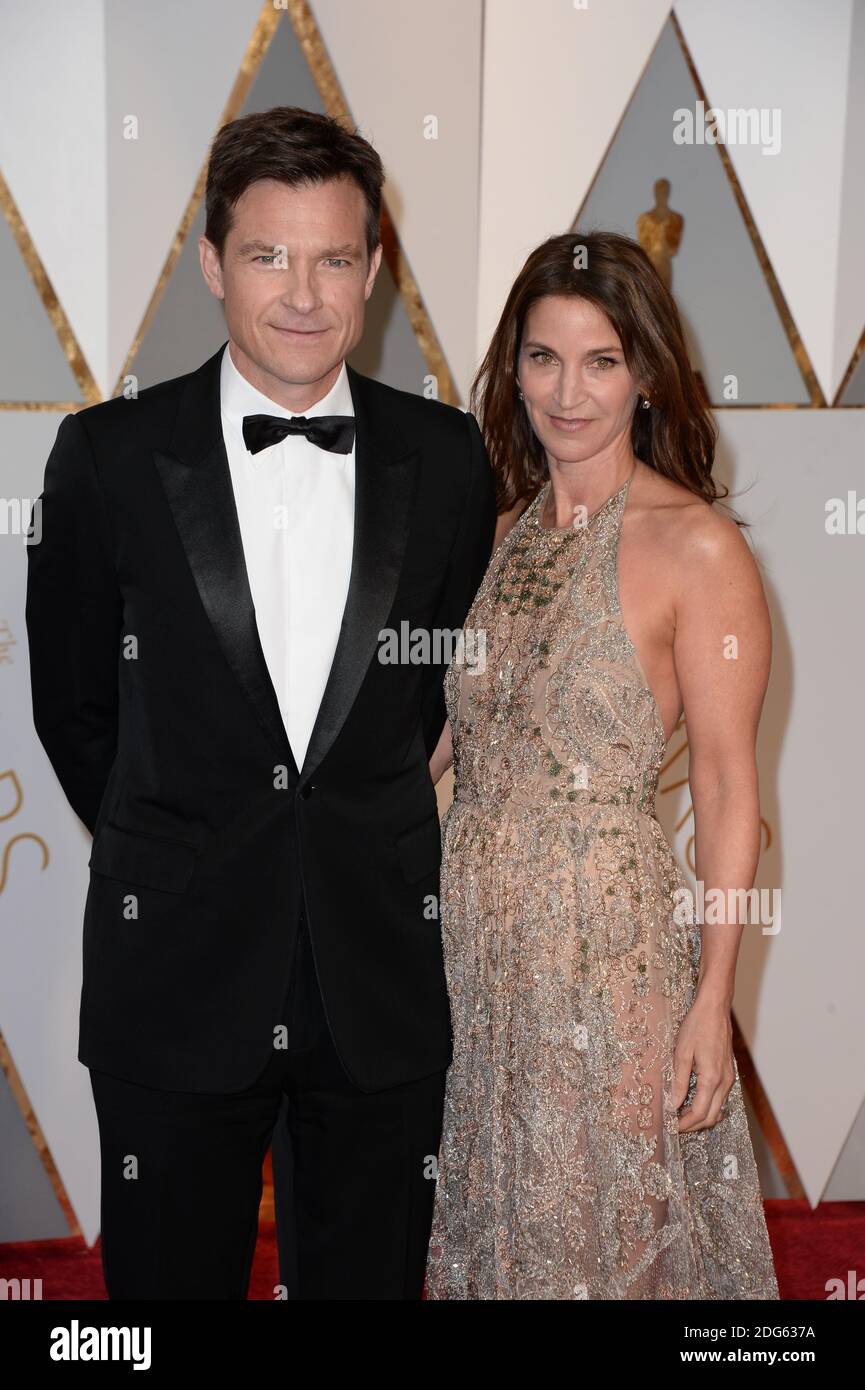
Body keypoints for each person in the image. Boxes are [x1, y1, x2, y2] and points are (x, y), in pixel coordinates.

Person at [25, 105, 495, 1300]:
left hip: (376, 976)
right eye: (267, 255)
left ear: (376, 269)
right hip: (172, 972)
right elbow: (72, 703)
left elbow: (441, 689)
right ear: (209, 263)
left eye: (334, 257)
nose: (302, 293)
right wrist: (179, 842)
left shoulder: (445, 460)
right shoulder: (108, 456)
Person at [425, 230, 780, 1299]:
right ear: (512, 368)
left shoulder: (698, 547)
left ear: (648, 376)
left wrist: (712, 998)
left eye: (600, 361)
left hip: (609, 956)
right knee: (499, 1224)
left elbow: (725, 789)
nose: (566, 391)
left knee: (599, 1246)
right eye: (542, 358)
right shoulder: (488, 539)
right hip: (474, 957)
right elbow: (432, 745)